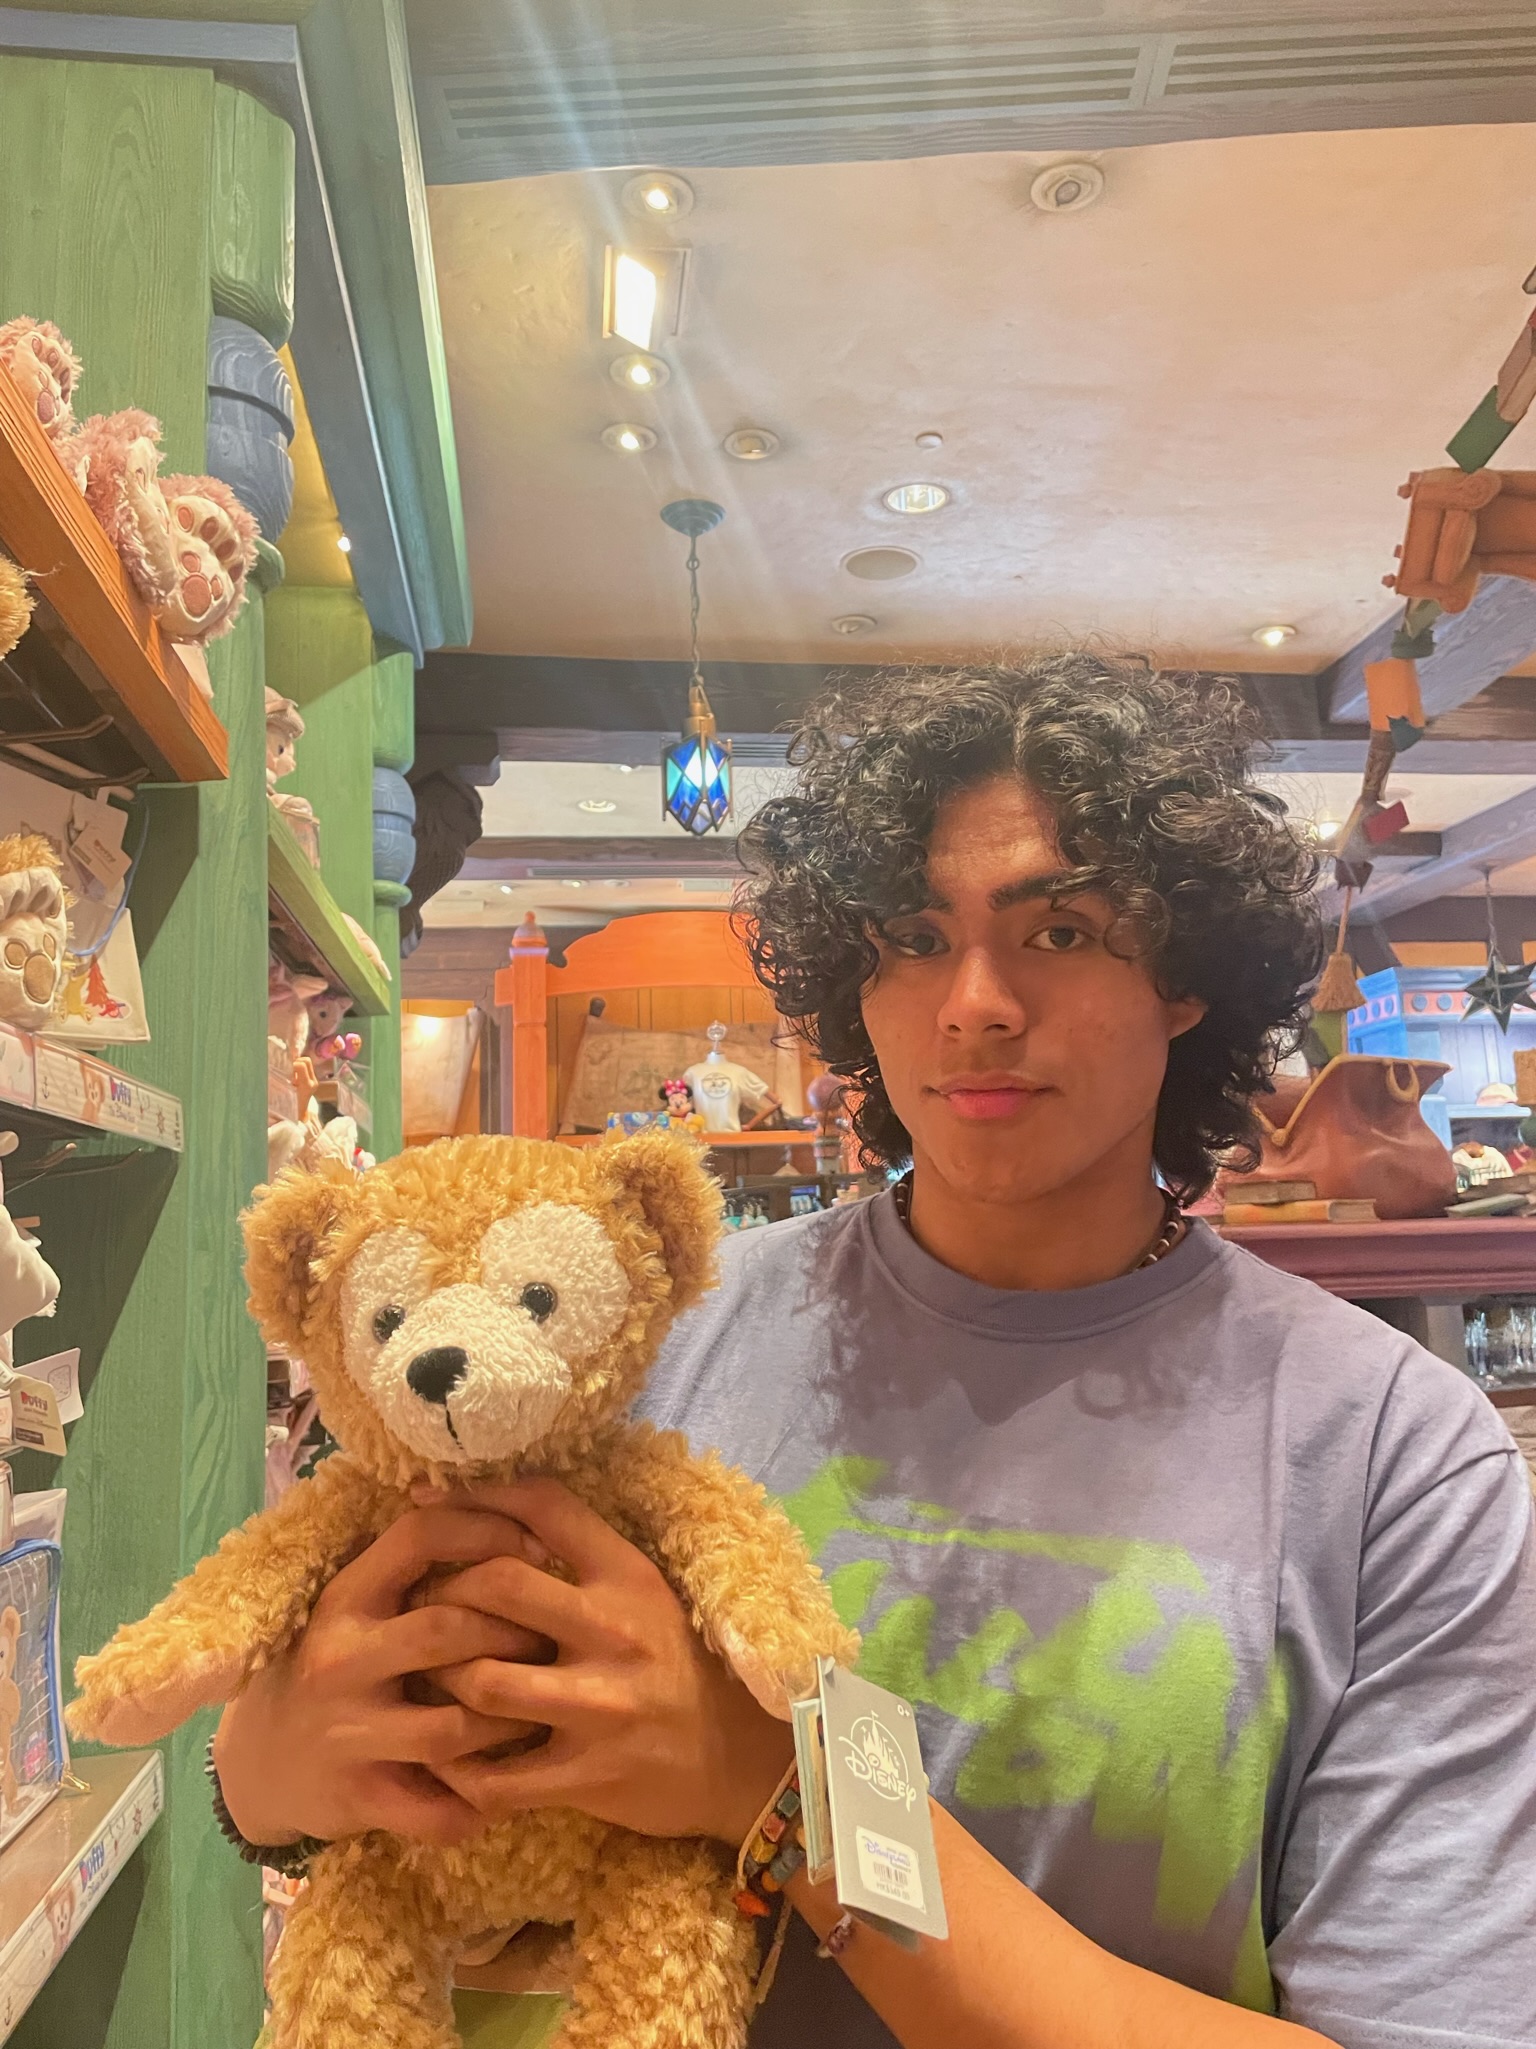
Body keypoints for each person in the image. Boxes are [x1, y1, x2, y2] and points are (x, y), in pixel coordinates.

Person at [213, 655, 1536, 2049]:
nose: (972, 1001)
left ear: (1188, 976)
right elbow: (283, 1756)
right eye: (913, 932)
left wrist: (789, 1796)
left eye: (1064, 930)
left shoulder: (1392, 1455)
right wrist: (275, 1762)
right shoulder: (642, 1349)